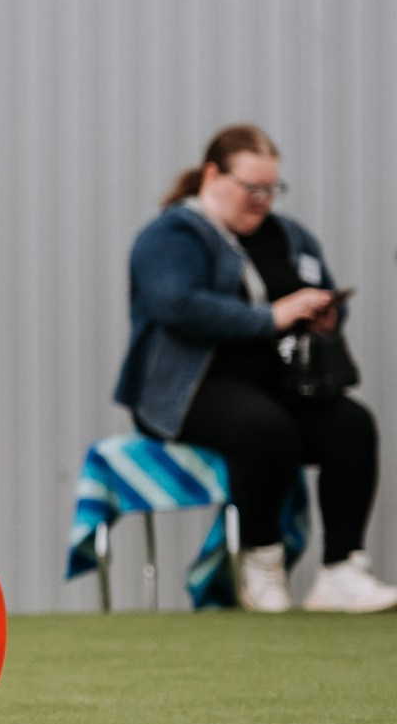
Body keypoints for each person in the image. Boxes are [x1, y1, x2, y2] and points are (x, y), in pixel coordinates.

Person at [114, 124, 396, 612]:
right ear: (212, 175)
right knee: (264, 429)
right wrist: (271, 317)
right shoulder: (172, 234)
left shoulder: (288, 235)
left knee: (351, 424)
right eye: (252, 188)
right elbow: (177, 306)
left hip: (277, 383)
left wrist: (327, 314)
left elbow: (320, 287)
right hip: (189, 390)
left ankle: (341, 569)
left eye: (271, 189)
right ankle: (261, 563)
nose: (262, 199)